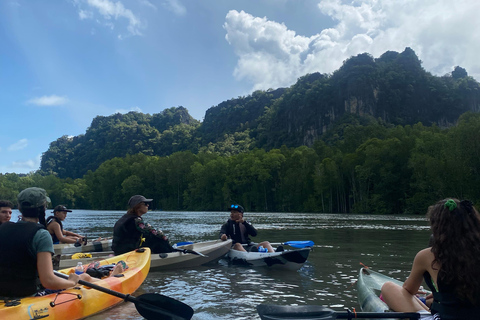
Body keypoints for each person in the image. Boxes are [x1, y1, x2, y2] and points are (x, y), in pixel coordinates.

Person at [381, 198, 480, 320]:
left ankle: (430, 311)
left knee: (388, 287)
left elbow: (408, 289)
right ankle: (431, 308)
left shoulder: (427, 255)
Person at [0, 188, 101, 298]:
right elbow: (48, 281)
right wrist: (72, 282)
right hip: (28, 295)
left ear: (19, 208)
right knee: (84, 277)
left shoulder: (3, 227)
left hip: (3, 293)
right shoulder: (41, 234)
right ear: (43, 208)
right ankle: (113, 278)